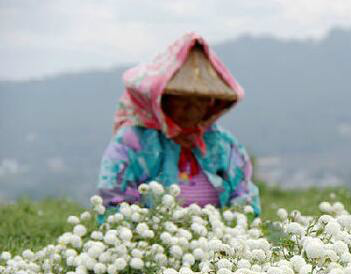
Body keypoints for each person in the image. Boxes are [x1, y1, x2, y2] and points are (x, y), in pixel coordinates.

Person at [97, 32, 260, 219]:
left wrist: (226, 230)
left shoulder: (223, 145)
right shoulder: (133, 142)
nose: (192, 109)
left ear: (211, 102)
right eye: (181, 99)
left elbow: (245, 199)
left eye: (201, 99)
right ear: (161, 98)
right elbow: (112, 203)